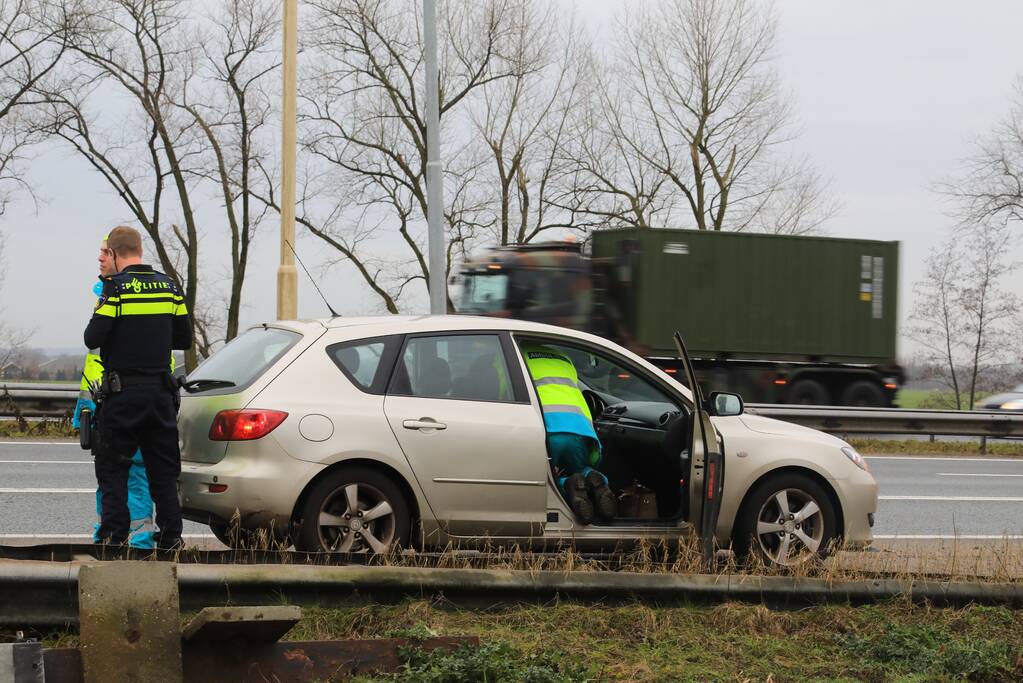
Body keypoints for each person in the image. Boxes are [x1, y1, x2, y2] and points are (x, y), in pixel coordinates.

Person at [84, 225, 192, 549]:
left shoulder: (114, 289)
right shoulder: (170, 287)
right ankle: (171, 537)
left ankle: (114, 539)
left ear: (115, 254)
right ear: (140, 250)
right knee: (163, 471)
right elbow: (184, 339)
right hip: (161, 395)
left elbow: (93, 338)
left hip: (124, 396)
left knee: (114, 469)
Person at [73, 272, 156, 550]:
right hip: (104, 405)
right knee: (109, 479)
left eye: (104, 253)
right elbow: (92, 363)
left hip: (121, 403)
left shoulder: (121, 303)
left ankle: (140, 540)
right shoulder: (107, 299)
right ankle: (107, 535)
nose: (98, 260)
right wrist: (84, 407)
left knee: (133, 475)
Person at [521, 343, 616, 524]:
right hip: (579, 430)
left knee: (548, 478)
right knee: (579, 469)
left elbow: (505, 391)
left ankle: (567, 484)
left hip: (546, 430)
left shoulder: (514, 354)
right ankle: (595, 480)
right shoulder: (562, 357)